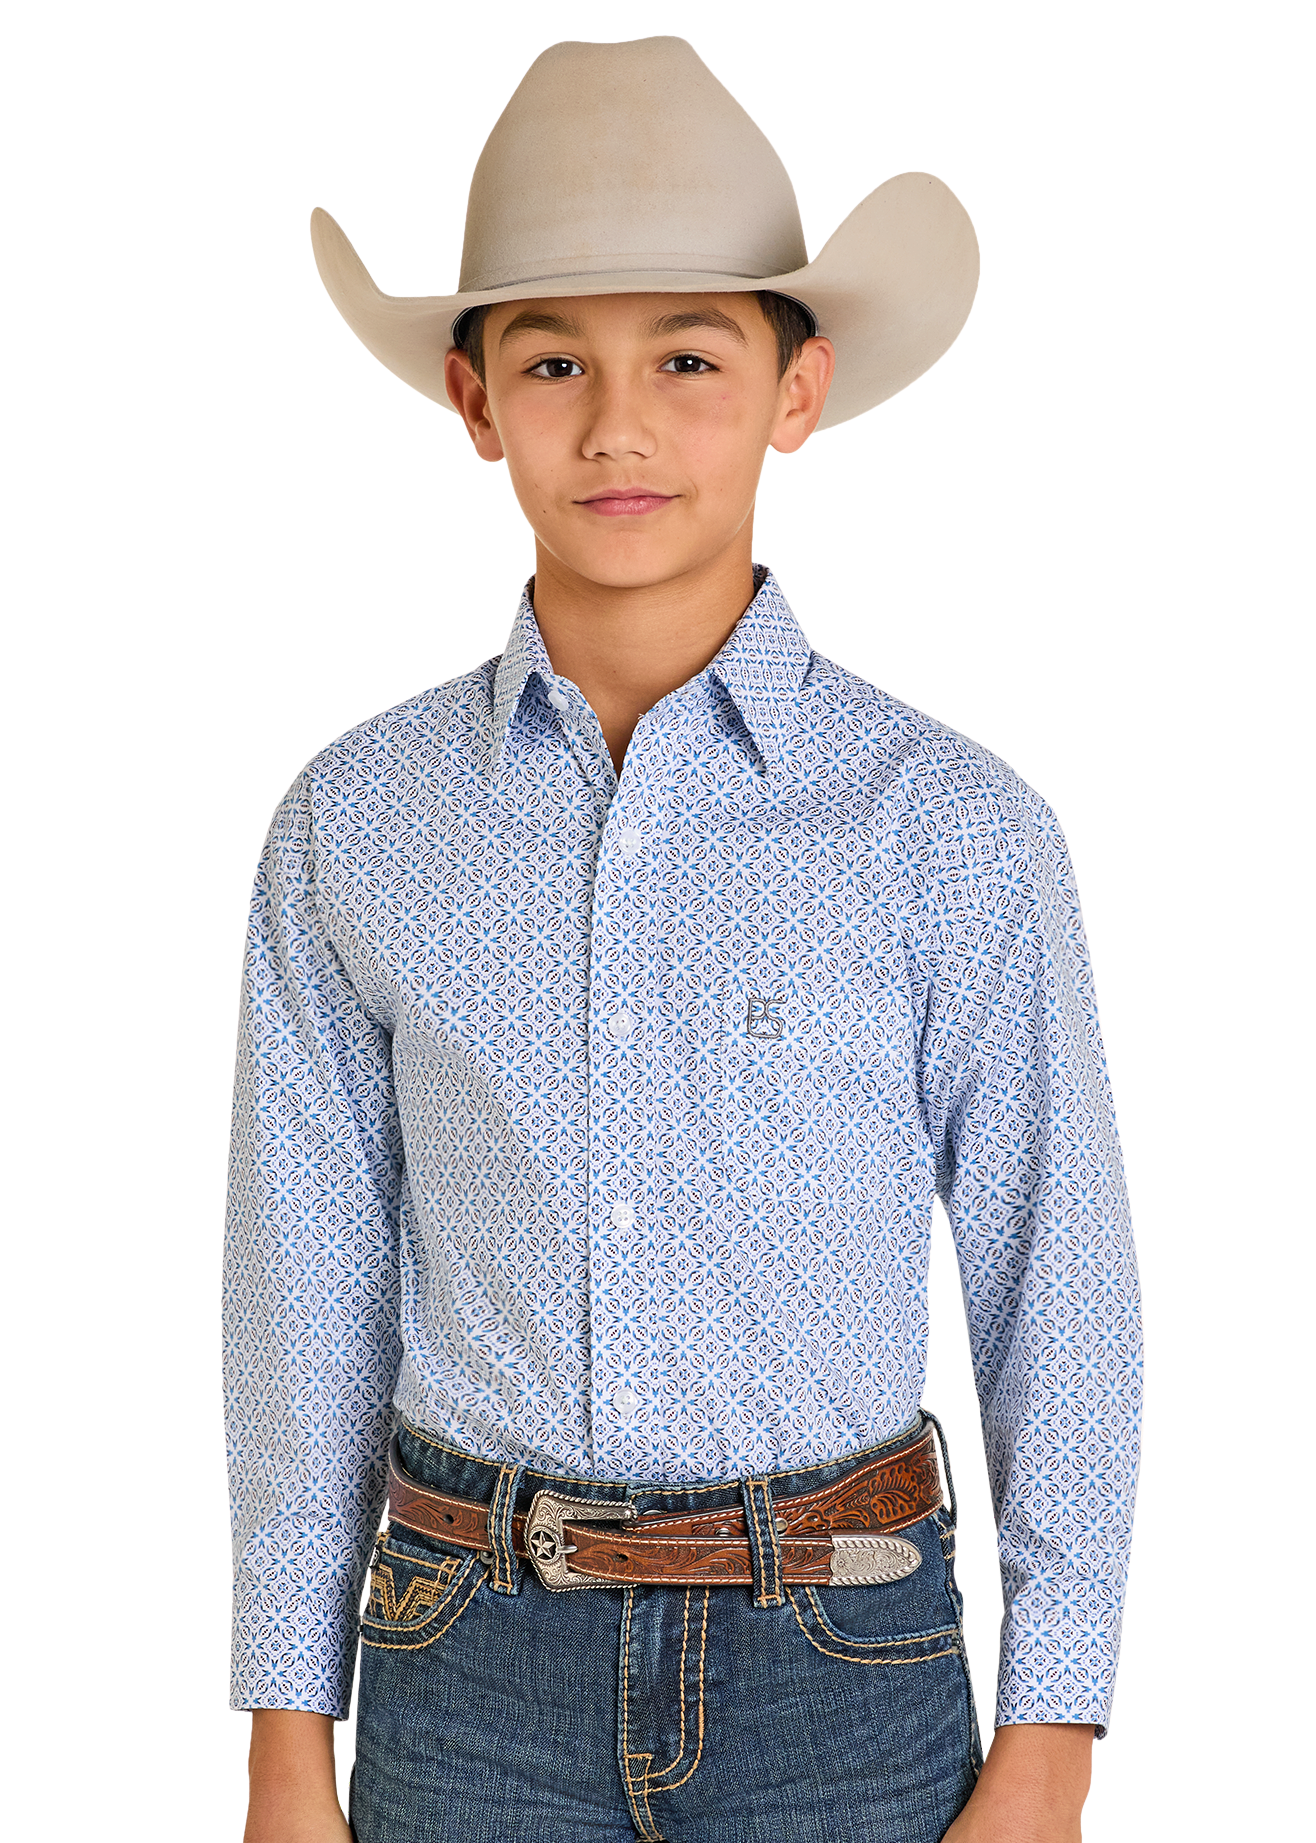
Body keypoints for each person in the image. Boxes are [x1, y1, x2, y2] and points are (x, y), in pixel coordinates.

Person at [224, 35, 1144, 1843]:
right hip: (460, 1656)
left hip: (850, 1657)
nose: (618, 423)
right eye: (554, 359)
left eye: (688, 359)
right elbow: (298, 1294)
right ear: (471, 401)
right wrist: (284, 1734)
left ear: (797, 391)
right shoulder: (352, 819)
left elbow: (1064, 1285)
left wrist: (1054, 1732)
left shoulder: (949, 825)